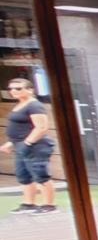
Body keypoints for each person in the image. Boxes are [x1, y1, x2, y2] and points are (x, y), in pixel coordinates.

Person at [3, 76, 56, 214]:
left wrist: (27, 143)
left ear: (30, 90)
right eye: (11, 89)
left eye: (18, 88)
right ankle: (29, 204)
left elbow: (41, 127)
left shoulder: (34, 105)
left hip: (35, 147)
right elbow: (22, 128)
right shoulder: (20, 104)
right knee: (23, 176)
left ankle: (49, 205)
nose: (13, 91)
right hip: (20, 145)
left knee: (41, 176)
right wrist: (10, 143)